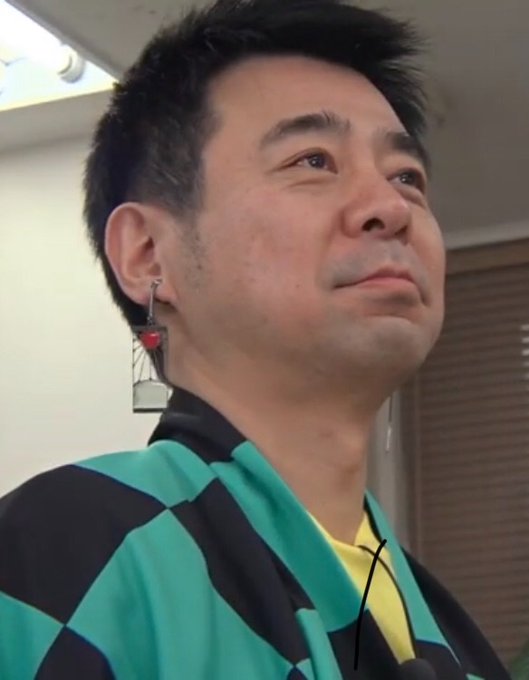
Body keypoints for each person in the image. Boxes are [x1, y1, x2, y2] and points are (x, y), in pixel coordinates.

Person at [0, 0, 511, 678]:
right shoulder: (72, 550)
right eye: (312, 160)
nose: (391, 209)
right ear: (149, 255)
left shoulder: (450, 636)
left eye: (406, 178)